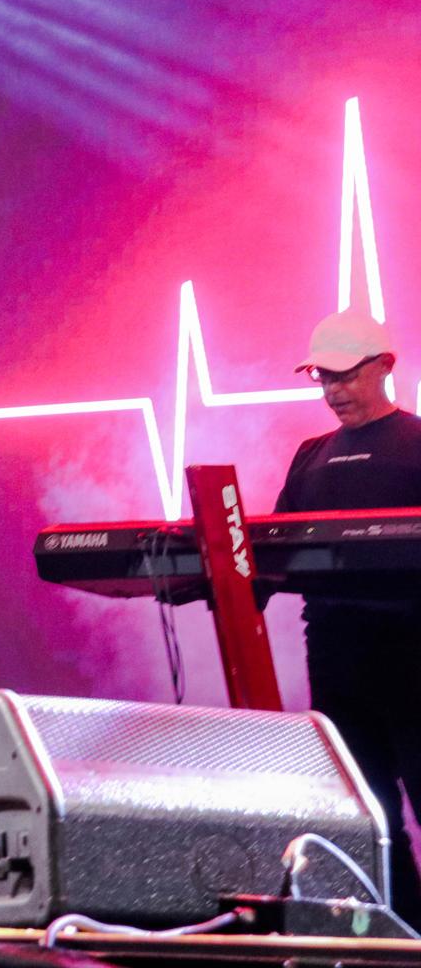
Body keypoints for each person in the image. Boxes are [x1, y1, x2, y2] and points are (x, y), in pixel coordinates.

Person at [273, 308, 421, 922]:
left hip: (412, 652)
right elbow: (271, 552)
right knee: (367, 816)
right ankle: (403, 934)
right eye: (323, 378)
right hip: (335, 657)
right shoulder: (311, 456)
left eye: (346, 375)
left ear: (384, 366)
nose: (333, 391)